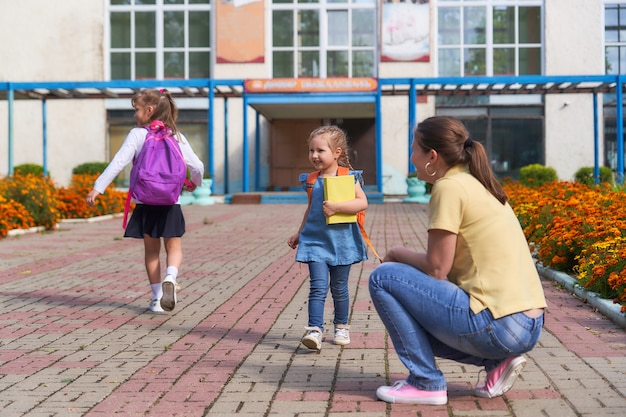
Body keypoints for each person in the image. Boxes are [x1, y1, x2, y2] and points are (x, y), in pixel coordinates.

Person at [369, 116, 546, 405]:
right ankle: (496, 363)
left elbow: (438, 268)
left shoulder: (448, 187)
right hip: (528, 325)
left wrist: (396, 253)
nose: (412, 158)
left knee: (384, 277)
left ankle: (425, 382)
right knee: (411, 301)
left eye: (414, 150)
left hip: (502, 326)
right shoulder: (478, 182)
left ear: (432, 156)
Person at [86, 88, 204, 313]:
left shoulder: (137, 134)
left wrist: (97, 188)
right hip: (171, 203)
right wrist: (195, 183)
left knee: (151, 251)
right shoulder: (176, 135)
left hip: (145, 203)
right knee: (174, 247)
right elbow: (197, 166)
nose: (134, 115)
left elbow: (118, 163)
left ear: (149, 110)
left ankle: (156, 297)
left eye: (136, 110)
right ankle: (171, 276)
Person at [287, 125, 369, 351]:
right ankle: (315, 330)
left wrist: (337, 207)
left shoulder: (348, 177)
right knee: (318, 286)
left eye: (320, 150)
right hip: (315, 242)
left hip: (342, 242)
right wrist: (299, 232)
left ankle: (341, 326)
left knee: (340, 287)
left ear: (337, 153)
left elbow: (362, 203)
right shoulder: (312, 180)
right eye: (311, 150)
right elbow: (310, 210)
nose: (314, 155)